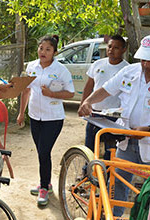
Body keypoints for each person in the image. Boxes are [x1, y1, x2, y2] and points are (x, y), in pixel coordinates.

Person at [78, 35, 150, 217]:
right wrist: (88, 101)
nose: (146, 65)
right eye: (143, 60)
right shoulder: (130, 72)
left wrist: (147, 130)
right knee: (118, 182)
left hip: (148, 143)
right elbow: (106, 89)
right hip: (125, 139)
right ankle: (114, 215)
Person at [16, 35, 75, 205]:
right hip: (35, 116)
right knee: (42, 153)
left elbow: (70, 93)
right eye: (41, 48)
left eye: (48, 49)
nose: (43, 52)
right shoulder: (32, 66)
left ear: (55, 52)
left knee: (43, 152)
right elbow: (25, 91)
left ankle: (44, 187)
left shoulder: (61, 70)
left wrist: (52, 94)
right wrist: (22, 113)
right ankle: (46, 183)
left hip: (53, 118)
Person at [81, 35, 129, 159]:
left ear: (123, 49)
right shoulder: (97, 64)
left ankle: (107, 176)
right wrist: (83, 104)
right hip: (95, 113)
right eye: (109, 46)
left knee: (110, 150)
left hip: (114, 117)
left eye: (116, 47)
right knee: (90, 146)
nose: (111, 50)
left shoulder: (127, 69)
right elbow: (88, 87)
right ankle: (86, 172)